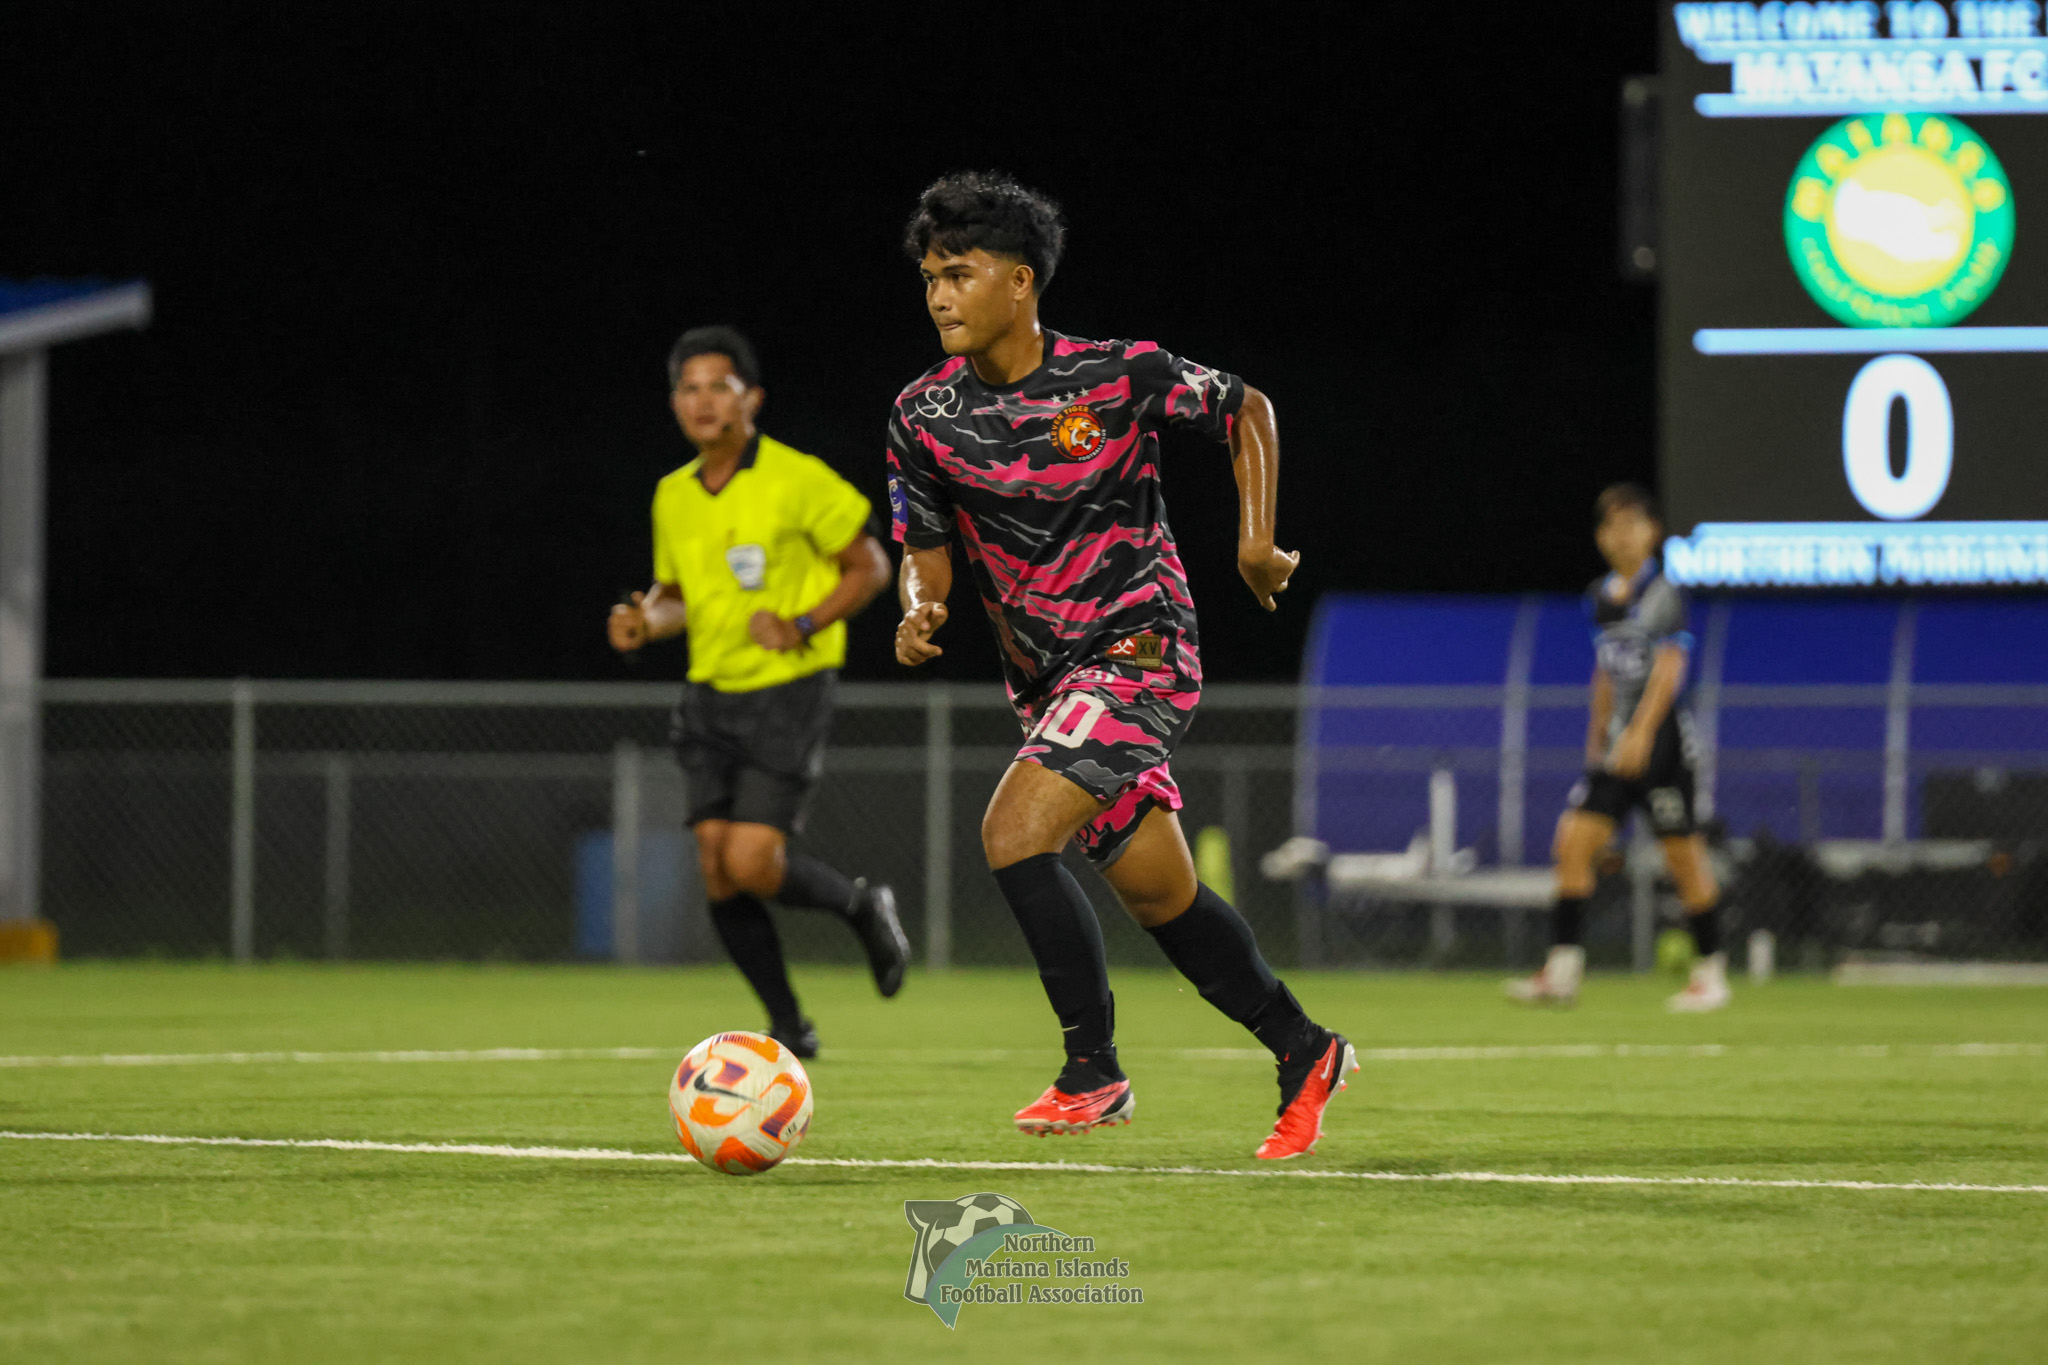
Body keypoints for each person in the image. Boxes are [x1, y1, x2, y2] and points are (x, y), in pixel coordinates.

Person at [887, 172, 1354, 1159]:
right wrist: (919, 603)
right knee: (1160, 895)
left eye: (959, 274)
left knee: (1013, 831)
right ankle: (1304, 1048)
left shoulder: (1115, 374)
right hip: (1047, 687)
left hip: (1140, 649)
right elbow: (923, 545)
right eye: (930, 278)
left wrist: (1254, 542)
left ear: (1020, 281)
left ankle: (1090, 1071)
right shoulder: (923, 414)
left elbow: (1246, 409)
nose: (938, 296)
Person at [609, 325, 911, 1057]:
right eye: (689, 388)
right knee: (717, 868)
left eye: (720, 386)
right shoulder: (673, 495)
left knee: (750, 862)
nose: (703, 401)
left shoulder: (797, 477)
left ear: (753, 399)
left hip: (787, 688)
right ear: (675, 403)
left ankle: (861, 906)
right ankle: (789, 1025)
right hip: (709, 692)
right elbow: (676, 595)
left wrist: (802, 622)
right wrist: (645, 622)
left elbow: (871, 565)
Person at [1507, 483, 1731, 1012]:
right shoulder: (1600, 597)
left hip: (1663, 747)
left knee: (1683, 856)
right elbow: (1606, 675)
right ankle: (1562, 972)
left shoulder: (1664, 592)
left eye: (1633, 524)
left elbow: (1670, 668)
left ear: (1654, 532)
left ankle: (1711, 974)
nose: (1622, 535)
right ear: (1601, 536)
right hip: (1616, 750)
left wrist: (1640, 733)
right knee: (1573, 843)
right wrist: (1597, 741)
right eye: (1612, 525)